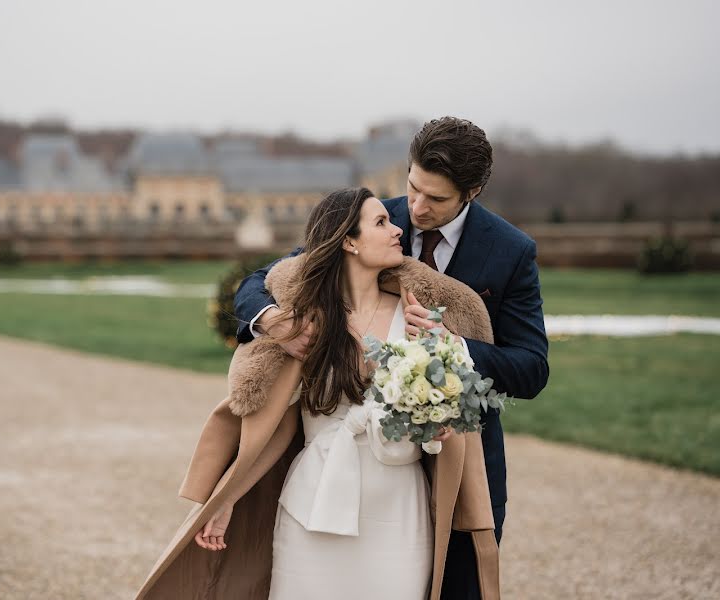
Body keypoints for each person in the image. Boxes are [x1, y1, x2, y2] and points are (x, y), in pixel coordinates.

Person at [233, 117, 550, 598]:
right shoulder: (374, 217)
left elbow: (531, 367)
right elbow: (267, 279)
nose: (417, 209)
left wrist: (454, 345)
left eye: (436, 199)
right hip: (350, 469)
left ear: (473, 191)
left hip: (460, 460)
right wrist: (270, 318)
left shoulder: (510, 251)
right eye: (413, 186)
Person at [135, 186, 501, 600]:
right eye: (381, 222)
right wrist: (226, 500)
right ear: (348, 241)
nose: (397, 229)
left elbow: (453, 410)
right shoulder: (304, 326)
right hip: (310, 506)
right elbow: (277, 428)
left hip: (399, 510)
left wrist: (438, 426)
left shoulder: (419, 316)